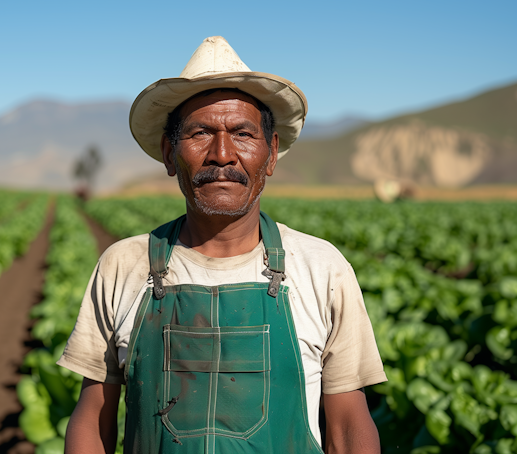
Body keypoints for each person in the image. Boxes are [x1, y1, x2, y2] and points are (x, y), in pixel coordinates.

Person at [57, 36, 387, 454]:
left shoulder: (322, 267)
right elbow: (93, 414)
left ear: (270, 154)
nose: (222, 154)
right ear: (168, 153)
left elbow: (348, 421)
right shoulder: (125, 265)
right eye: (200, 133)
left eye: (243, 134)